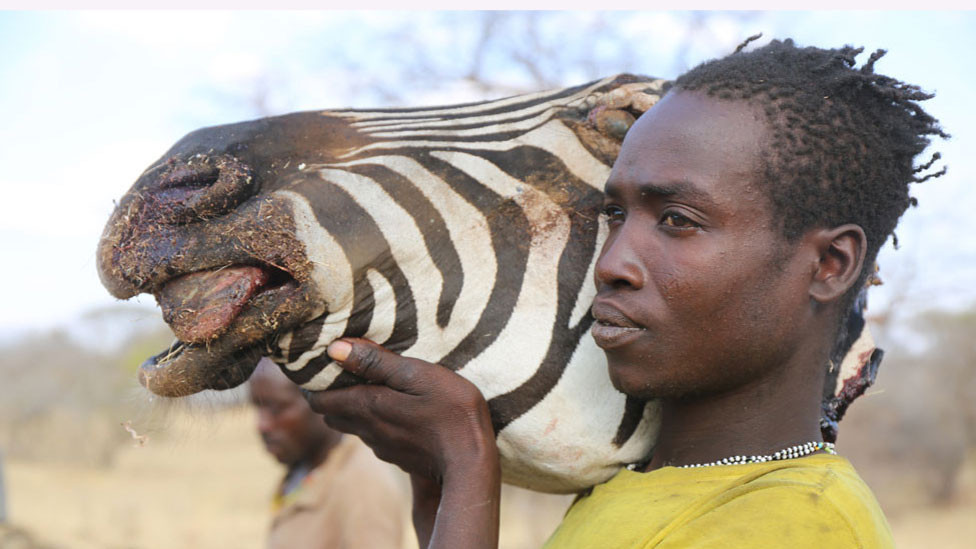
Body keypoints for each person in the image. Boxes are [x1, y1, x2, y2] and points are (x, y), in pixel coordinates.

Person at [305, 37, 947, 549]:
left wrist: (471, 463)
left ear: (830, 265)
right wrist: (443, 490)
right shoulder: (630, 487)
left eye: (678, 221)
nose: (611, 264)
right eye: (616, 215)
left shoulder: (800, 523)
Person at [248, 358, 408, 549]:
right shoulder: (306, 469)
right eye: (258, 408)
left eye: (277, 409)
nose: (261, 425)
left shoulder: (361, 482)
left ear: (321, 400)